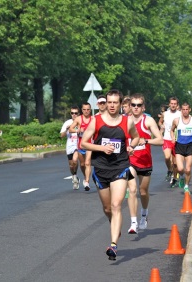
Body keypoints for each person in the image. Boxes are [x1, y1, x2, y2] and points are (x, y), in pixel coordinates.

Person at [80, 89, 139, 261]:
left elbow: (135, 138)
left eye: (115, 102)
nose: (112, 105)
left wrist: (131, 146)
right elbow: (84, 142)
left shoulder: (127, 122)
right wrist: (101, 148)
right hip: (100, 169)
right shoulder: (96, 121)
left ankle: (113, 245)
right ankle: (115, 224)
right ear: (105, 103)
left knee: (116, 205)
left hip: (120, 167)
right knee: (107, 209)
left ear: (121, 104)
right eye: (109, 102)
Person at [126, 94, 163, 234]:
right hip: (130, 161)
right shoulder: (126, 121)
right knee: (132, 189)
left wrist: (146, 141)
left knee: (143, 191)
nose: (136, 108)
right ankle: (133, 222)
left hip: (145, 161)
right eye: (133, 105)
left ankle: (144, 213)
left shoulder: (148, 121)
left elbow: (160, 140)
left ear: (143, 107)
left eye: (138, 105)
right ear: (130, 106)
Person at [170, 102, 192, 191]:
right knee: (180, 168)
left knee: (188, 169)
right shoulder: (176, 120)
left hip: (189, 146)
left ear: (189, 110)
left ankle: (186, 186)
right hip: (179, 146)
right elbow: (171, 130)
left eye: (187, 109)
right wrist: (172, 137)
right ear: (181, 110)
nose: (185, 111)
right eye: (183, 109)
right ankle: (182, 177)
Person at [69, 102, 93, 191]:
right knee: (82, 164)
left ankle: (87, 182)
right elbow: (71, 129)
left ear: (90, 110)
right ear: (81, 110)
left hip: (90, 145)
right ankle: (85, 177)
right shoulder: (79, 119)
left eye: (88, 109)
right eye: (84, 109)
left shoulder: (93, 119)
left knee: (87, 163)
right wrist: (78, 130)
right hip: (81, 145)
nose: (86, 111)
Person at [161, 97, 181, 187]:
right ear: (169, 104)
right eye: (171, 103)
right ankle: (169, 169)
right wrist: (162, 126)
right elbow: (160, 122)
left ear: (177, 105)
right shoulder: (165, 114)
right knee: (167, 157)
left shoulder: (180, 114)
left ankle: (175, 177)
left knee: (175, 162)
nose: (173, 105)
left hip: (177, 140)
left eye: (175, 104)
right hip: (166, 138)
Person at [60, 106, 80, 189]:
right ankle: (74, 176)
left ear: (78, 113)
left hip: (78, 145)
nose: (74, 115)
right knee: (71, 165)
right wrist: (67, 129)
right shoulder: (67, 123)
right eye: (72, 113)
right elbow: (61, 135)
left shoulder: (80, 122)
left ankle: (75, 178)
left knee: (75, 160)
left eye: (75, 113)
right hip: (70, 146)